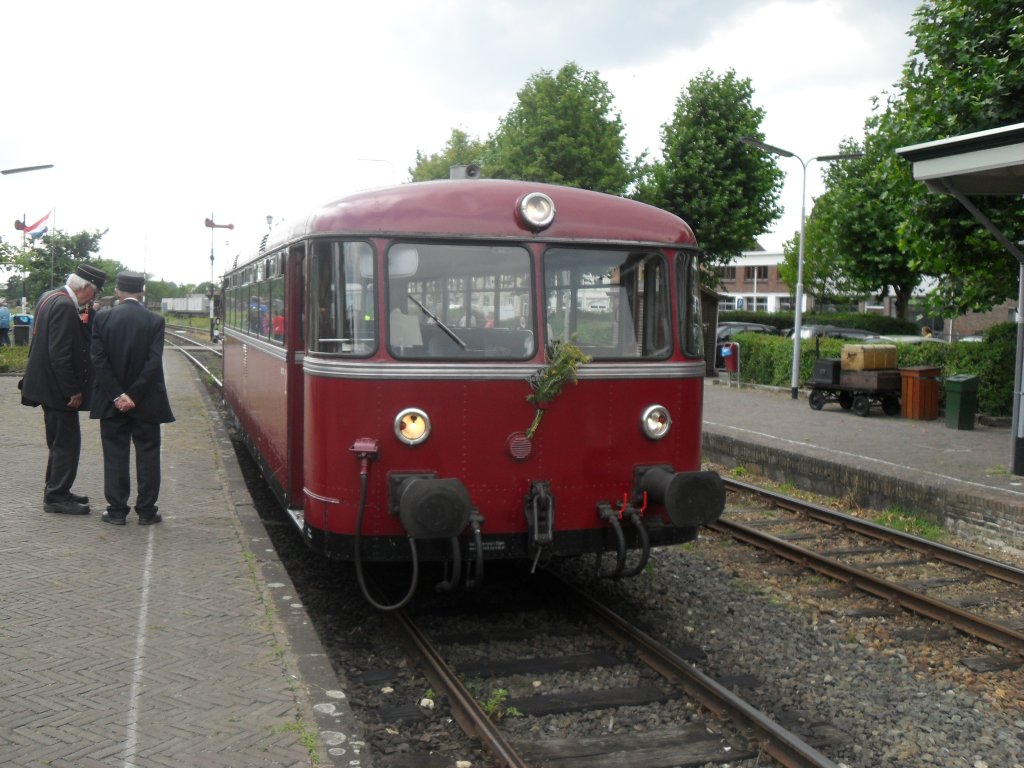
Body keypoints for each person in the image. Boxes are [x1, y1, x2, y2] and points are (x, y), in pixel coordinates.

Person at [20, 263, 107, 515]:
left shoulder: (50, 297)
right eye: (95, 292)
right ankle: (56, 497)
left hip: (45, 386)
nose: (94, 297)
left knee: (58, 442)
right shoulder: (64, 306)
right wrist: (72, 390)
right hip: (57, 390)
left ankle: (57, 489)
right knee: (67, 444)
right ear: (86, 288)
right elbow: (59, 353)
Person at [90, 271, 175, 525]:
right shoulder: (155, 321)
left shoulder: (102, 319)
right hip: (146, 402)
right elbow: (153, 363)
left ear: (118, 291)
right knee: (148, 454)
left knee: (115, 454)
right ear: (142, 292)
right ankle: (147, 511)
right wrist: (133, 394)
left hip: (110, 401)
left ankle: (116, 511)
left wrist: (117, 395)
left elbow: (98, 360)